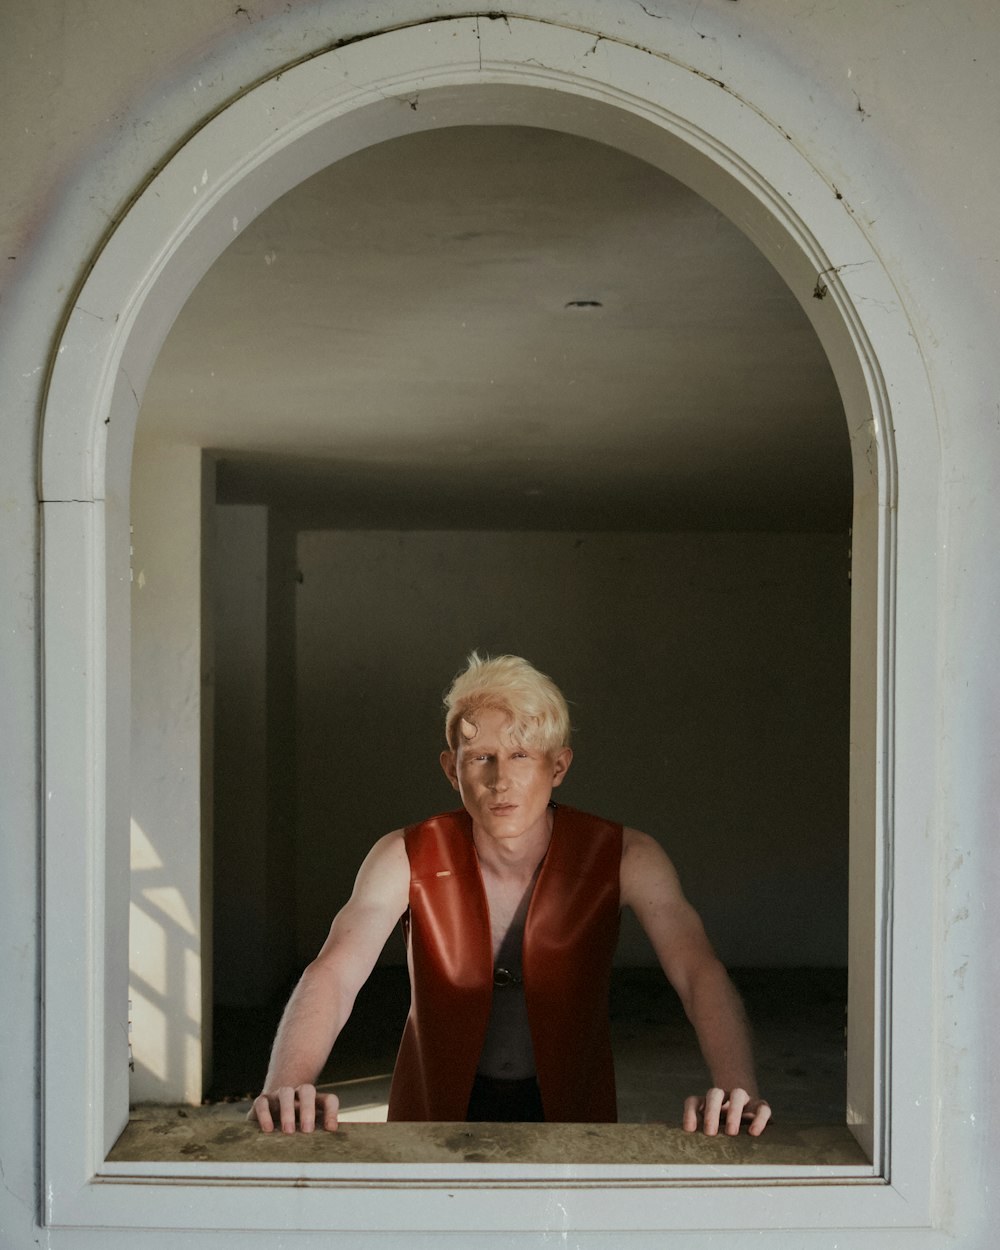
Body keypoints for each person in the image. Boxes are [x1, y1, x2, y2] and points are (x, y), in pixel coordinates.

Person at [250, 653, 771, 1137]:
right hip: (432, 1111)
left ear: (558, 767)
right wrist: (285, 1085)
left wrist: (736, 1086)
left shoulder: (628, 856)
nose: (501, 780)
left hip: (571, 1113)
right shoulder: (403, 854)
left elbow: (697, 971)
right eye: (481, 757)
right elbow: (335, 972)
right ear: (452, 770)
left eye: (521, 755)